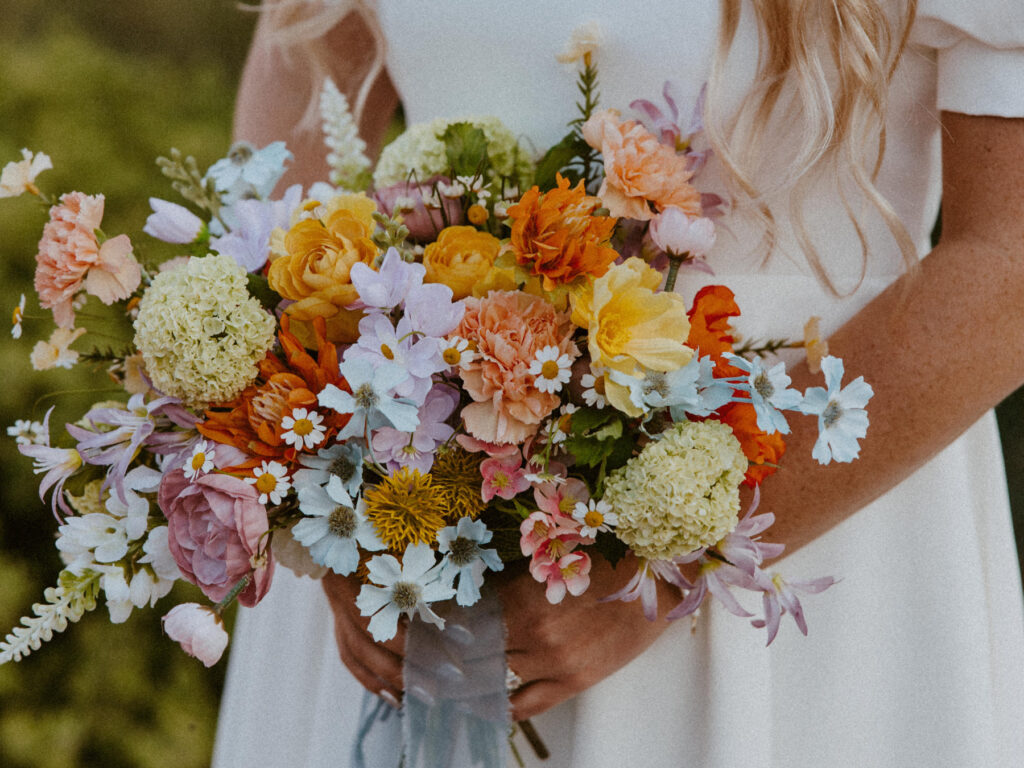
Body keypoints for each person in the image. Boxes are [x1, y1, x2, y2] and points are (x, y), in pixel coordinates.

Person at [212, 1, 1024, 766]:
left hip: (798, 516)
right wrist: (319, 508)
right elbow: (295, 131)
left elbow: (1009, 261)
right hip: (388, 528)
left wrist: (664, 561)